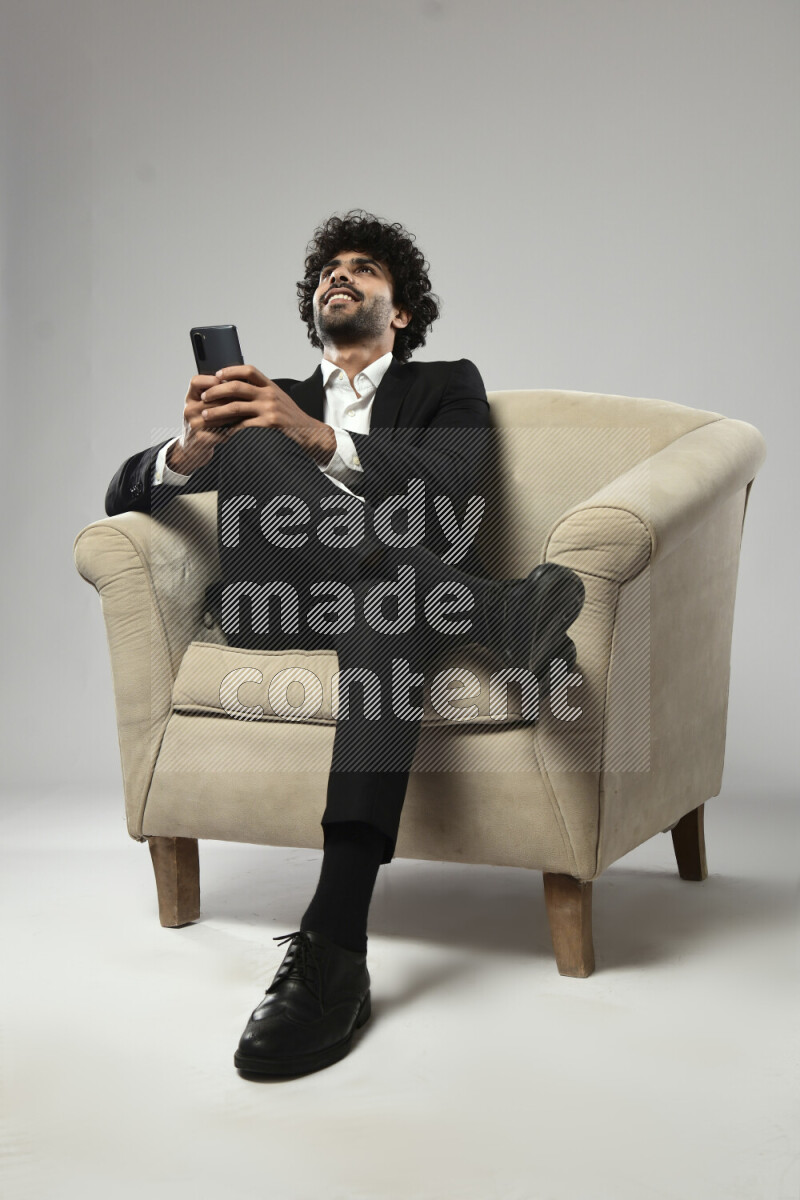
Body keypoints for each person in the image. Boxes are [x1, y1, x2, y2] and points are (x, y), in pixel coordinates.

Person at [105, 210, 585, 1078]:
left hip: (387, 603)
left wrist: (319, 436)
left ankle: (334, 942)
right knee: (249, 443)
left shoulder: (445, 384)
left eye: (363, 268)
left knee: (385, 608)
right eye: (329, 267)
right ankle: (492, 614)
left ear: (399, 312)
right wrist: (190, 449)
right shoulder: (262, 398)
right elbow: (123, 493)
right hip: (274, 601)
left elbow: (452, 490)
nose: (340, 275)